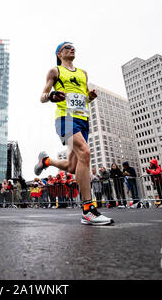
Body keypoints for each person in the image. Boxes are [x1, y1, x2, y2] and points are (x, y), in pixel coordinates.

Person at [33, 42, 113, 225]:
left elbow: (84, 99)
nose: (72, 48)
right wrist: (52, 96)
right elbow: (42, 96)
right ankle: (88, 209)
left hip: (83, 119)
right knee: (85, 153)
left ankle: (46, 161)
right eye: (67, 47)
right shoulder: (55, 71)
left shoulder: (83, 73)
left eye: (73, 47)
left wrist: (90, 98)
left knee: (71, 166)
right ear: (59, 53)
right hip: (65, 118)